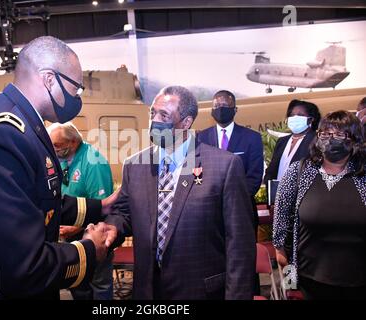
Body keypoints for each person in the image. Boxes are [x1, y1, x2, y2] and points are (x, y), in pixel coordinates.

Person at [0, 36, 109, 299]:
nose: (77, 98)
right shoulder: (2, 135)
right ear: (48, 79)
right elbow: (23, 265)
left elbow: (40, 198)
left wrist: (101, 207)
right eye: (75, 88)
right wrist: (90, 249)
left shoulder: (26, 125)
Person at [102, 86, 256, 300]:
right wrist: (113, 228)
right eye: (152, 113)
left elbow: (239, 244)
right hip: (149, 291)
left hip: (200, 290)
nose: (155, 121)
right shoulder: (135, 165)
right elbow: (125, 213)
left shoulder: (225, 166)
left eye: (164, 115)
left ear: (186, 122)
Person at [273, 110, 366, 300]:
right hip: (311, 281)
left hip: (360, 281)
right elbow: (281, 233)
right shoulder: (298, 172)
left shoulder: (363, 175)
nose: (331, 139)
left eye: (340, 134)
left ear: (354, 140)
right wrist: (290, 283)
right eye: (325, 134)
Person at [48, 122, 114, 300]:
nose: (53, 149)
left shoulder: (94, 162)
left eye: (57, 145)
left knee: (98, 286)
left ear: (73, 142)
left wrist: (75, 228)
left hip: (93, 235)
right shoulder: (61, 160)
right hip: (69, 239)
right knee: (78, 284)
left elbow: (102, 207)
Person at [198, 90, 263, 233]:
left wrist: (232, 199)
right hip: (209, 211)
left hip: (242, 209)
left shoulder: (252, 138)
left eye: (225, 105)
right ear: (211, 110)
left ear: (235, 109)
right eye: (216, 105)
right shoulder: (200, 138)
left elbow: (255, 176)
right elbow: (197, 173)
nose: (220, 108)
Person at [264, 99, 321, 183]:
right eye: (292, 115)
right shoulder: (282, 141)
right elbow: (272, 169)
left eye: (300, 115)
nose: (295, 118)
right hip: (276, 193)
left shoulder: (316, 140)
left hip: (303, 193)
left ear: (311, 119)